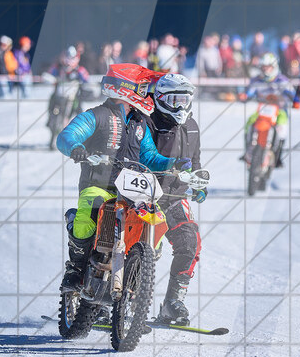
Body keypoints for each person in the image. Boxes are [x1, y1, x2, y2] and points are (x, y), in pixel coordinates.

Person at [56, 64, 192, 293]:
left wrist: (173, 163)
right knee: (87, 217)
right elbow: (66, 136)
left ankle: (136, 275)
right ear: (125, 89)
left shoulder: (140, 123)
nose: (145, 93)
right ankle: (76, 269)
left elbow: (149, 156)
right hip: (98, 185)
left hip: (130, 189)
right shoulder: (96, 115)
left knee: (151, 217)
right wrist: (76, 148)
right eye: (141, 88)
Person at [146, 73, 205, 326]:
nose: (180, 106)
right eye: (174, 100)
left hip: (174, 196)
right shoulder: (148, 121)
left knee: (190, 242)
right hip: (144, 195)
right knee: (146, 249)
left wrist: (199, 182)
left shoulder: (191, 125)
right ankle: (116, 297)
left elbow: (196, 160)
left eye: (184, 100)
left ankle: (173, 302)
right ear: (160, 98)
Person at [243, 52, 299, 167]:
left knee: (282, 127)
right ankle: (248, 151)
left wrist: (296, 101)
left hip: (279, 110)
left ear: (274, 67)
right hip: (262, 111)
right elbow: (249, 92)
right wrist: (245, 96)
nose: (266, 70)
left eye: (268, 67)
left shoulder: (282, 80)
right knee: (249, 123)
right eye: (264, 67)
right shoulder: (257, 81)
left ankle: (278, 156)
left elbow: (292, 93)